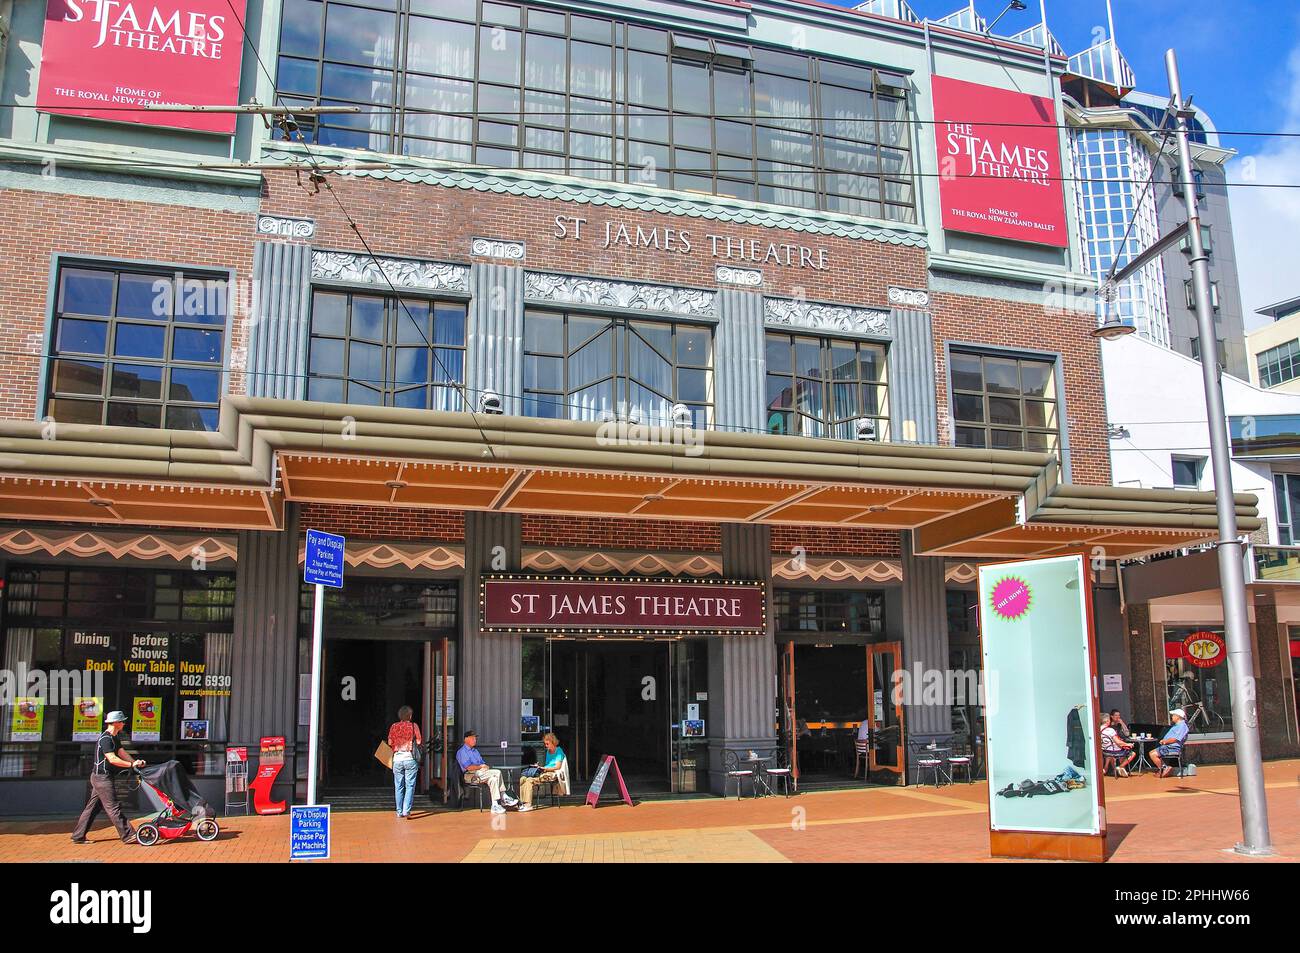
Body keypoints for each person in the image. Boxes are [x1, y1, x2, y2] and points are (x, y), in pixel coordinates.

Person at [71, 710, 145, 845]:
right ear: (116, 723)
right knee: (113, 807)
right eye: (122, 721)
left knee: (93, 808)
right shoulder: (105, 739)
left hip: (102, 777)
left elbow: (122, 753)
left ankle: (78, 836)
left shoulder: (114, 737)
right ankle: (128, 835)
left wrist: (135, 763)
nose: (124, 723)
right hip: (102, 778)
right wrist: (131, 765)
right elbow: (112, 759)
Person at [455, 729, 517, 814]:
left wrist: (485, 767)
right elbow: (468, 767)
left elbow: (482, 763)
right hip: (470, 775)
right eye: (472, 738)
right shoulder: (462, 752)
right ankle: (503, 796)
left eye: (475, 738)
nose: (475, 740)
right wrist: (481, 766)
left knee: (493, 779)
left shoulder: (475, 751)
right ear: (466, 739)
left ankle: (494, 805)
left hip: (481, 773)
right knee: (497, 772)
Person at [517, 732, 568, 812]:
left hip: (552, 773)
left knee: (529, 781)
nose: (546, 746)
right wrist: (539, 767)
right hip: (545, 771)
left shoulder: (559, 751)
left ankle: (528, 804)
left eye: (547, 744)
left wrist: (545, 769)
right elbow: (547, 765)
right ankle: (522, 803)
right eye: (545, 744)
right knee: (523, 779)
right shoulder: (548, 752)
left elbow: (558, 767)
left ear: (553, 742)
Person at [388, 705, 423, 819]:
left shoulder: (394, 726)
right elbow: (418, 741)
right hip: (410, 759)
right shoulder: (414, 726)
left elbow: (389, 742)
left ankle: (398, 811)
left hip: (397, 759)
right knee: (410, 785)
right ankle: (406, 811)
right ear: (410, 715)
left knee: (398, 786)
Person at [1149, 708, 1190, 778]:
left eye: (1173, 715)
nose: (1172, 717)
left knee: (1153, 754)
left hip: (1172, 748)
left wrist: (1165, 741)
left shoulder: (1182, 726)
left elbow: (1175, 739)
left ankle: (1165, 768)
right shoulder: (1177, 725)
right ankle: (1163, 768)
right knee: (1152, 752)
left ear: (1178, 716)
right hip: (1169, 746)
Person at [1100, 713, 1136, 777]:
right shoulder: (1110, 730)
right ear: (1107, 721)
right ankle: (1120, 767)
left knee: (1116, 751)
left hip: (1105, 751)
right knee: (1132, 753)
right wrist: (1128, 744)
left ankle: (1113, 770)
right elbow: (1118, 742)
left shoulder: (1098, 729)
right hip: (1113, 751)